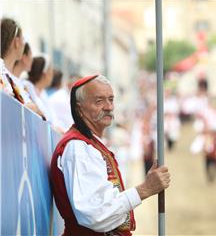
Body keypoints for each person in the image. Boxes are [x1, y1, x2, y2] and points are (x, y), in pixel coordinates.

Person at [50, 75, 170, 236]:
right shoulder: (79, 147)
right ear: (79, 108)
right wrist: (145, 189)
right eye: (99, 101)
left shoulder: (89, 143)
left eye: (111, 100)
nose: (108, 106)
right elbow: (96, 214)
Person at [0, 18, 43, 117]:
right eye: (23, 39)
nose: (24, 44)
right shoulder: (4, 74)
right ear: (17, 42)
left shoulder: (12, 79)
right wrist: (28, 108)